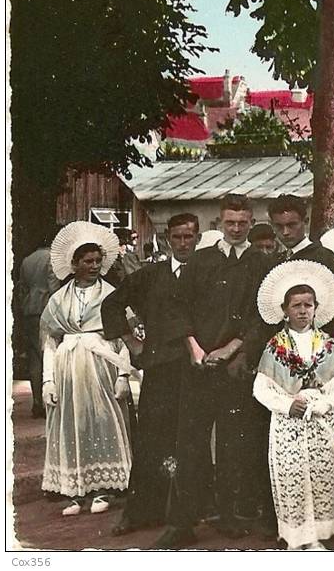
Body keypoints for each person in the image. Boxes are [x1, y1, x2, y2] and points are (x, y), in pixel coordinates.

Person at [154, 194, 270, 548]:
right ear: (219, 223)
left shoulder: (260, 264)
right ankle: (181, 522)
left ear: (251, 223)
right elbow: (177, 308)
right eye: (230, 223)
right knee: (190, 444)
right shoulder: (201, 261)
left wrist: (233, 349)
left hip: (234, 367)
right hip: (198, 366)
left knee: (235, 443)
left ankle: (230, 513)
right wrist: (194, 348)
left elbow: (262, 315)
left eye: (242, 223)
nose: (236, 229)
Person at [101, 213, 199, 535]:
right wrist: (132, 342)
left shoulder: (206, 272)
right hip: (159, 368)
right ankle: (140, 512)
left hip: (197, 369)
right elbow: (112, 305)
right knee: (150, 440)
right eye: (178, 237)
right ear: (168, 239)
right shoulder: (149, 275)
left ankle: (188, 513)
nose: (184, 243)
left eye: (189, 237)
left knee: (190, 441)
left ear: (197, 238)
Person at [252, 260, 334, 550]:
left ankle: (318, 536)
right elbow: (261, 387)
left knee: (322, 474)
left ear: (315, 307)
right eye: (296, 306)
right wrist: (286, 405)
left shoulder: (327, 344)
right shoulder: (276, 346)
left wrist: (322, 403)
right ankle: (297, 537)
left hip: (320, 418)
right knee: (292, 476)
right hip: (289, 422)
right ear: (285, 310)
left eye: (308, 305)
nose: (302, 312)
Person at [40, 222, 133, 516]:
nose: (94, 266)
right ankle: (75, 489)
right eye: (87, 261)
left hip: (101, 364)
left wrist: (123, 375)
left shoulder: (112, 294)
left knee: (102, 420)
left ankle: (102, 488)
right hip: (68, 367)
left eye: (97, 261)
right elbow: (50, 341)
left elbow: (124, 337)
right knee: (72, 423)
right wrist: (47, 380)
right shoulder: (58, 299)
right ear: (75, 263)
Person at [17, 233, 61, 418]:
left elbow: (21, 288)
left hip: (29, 309)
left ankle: (37, 402)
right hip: (45, 308)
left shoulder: (27, 260)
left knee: (34, 356)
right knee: (49, 352)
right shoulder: (51, 258)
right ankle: (49, 399)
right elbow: (54, 287)